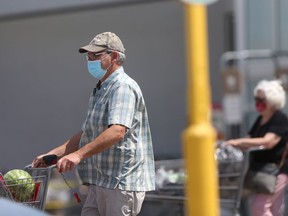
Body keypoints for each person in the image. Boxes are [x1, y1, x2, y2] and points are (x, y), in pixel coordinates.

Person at [32, 32, 155, 216]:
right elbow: (87, 134)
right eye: (88, 55)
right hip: (101, 181)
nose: (90, 60)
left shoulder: (122, 86)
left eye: (95, 55)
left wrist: (78, 155)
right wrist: (53, 155)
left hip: (120, 183)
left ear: (114, 56)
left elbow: (117, 131)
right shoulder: (101, 88)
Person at [226, 79, 288, 216]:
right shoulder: (260, 119)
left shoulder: (279, 118)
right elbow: (250, 139)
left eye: (261, 99)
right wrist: (231, 144)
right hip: (263, 171)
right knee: (274, 209)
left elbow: (268, 141)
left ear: (272, 100)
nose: (257, 102)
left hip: (276, 171)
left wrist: (238, 142)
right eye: (256, 99)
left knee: (259, 206)